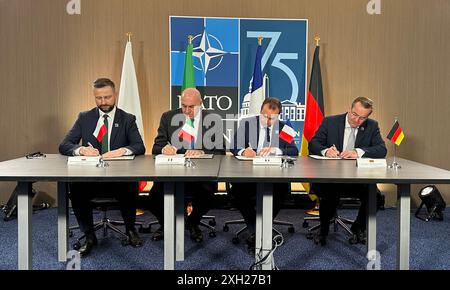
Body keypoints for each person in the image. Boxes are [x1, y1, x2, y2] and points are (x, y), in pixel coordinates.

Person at [59, 78, 146, 257]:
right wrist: (81, 149)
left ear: (114, 95)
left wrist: (121, 151)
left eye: (107, 97)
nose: (103, 102)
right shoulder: (85, 117)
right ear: (94, 96)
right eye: (99, 98)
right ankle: (89, 236)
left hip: (119, 177)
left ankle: (130, 230)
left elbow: (139, 146)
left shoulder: (127, 119)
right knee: (76, 189)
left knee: (129, 186)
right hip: (91, 177)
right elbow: (64, 145)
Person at [148, 87, 225, 243]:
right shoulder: (169, 117)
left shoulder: (213, 119)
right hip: (173, 173)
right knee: (153, 197)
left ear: (201, 104)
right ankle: (166, 224)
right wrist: (165, 148)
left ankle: (192, 223)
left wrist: (202, 152)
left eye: (192, 107)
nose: (187, 110)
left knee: (208, 195)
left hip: (201, 175)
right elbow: (156, 147)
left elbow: (220, 151)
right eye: (184, 106)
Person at [309, 96, 387, 246]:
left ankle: (358, 227)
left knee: (376, 197)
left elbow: (382, 149)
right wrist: (325, 151)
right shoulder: (330, 122)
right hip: (330, 178)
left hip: (357, 180)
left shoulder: (372, 126)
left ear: (368, 117)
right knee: (328, 195)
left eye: (362, 118)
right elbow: (313, 143)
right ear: (349, 110)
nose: (357, 120)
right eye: (354, 115)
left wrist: (358, 152)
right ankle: (323, 230)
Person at [230, 97, 299, 249]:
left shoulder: (284, 128)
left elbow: (294, 151)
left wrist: (276, 150)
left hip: (275, 176)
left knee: (282, 191)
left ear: (278, 115)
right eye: (264, 116)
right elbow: (233, 146)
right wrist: (243, 151)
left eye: (271, 118)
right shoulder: (247, 123)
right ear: (260, 111)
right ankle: (257, 230)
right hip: (248, 174)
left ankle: (257, 230)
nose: (267, 121)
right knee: (238, 191)